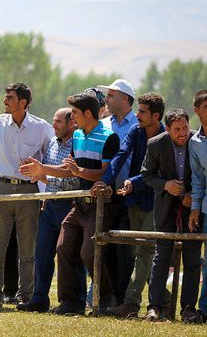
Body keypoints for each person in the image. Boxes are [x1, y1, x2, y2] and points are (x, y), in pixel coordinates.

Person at [21, 92, 119, 315]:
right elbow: (69, 170)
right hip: (79, 204)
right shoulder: (77, 136)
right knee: (63, 247)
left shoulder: (109, 137)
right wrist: (42, 169)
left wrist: (80, 171)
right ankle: (69, 303)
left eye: (74, 113)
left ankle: (106, 297)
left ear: (87, 113)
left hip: (100, 206)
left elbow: (107, 173)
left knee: (87, 253)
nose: (72, 117)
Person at [0, 83, 53, 309]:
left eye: (9, 98)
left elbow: (50, 160)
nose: (4, 101)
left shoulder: (42, 127)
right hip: (2, 190)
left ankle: (26, 297)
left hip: (30, 192)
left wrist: (46, 193)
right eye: (5, 97)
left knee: (28, 250)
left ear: (24, 102)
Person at [90, 93, 167, 318]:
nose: (137, 115)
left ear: (156, 115)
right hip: (134, 201)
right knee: (138, 254)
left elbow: (158, 173)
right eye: (138, 110)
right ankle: (165, 301)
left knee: (144, 252)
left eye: (142, 112)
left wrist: (133, 182)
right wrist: (105, 180)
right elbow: (120, 155)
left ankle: (130, 304)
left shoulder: (165, 136)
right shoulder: (136, 131)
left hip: (157, 202)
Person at [16, 107, 83, 313]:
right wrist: (37, 174)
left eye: (58, 121)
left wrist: (43, 173)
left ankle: (74, 301)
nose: (53, 125)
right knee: (42, 252)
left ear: (72, 123)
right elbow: (51, 175)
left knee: (70, 254)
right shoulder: (52, 143)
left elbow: (73, 179)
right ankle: (39, 299)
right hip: (51, 204)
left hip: (69, 205)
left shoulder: (78, 145)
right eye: (53, 121)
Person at [141, 109, 202, 322]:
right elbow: (147, 175)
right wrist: (166, 185)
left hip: (193, 208)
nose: (183, 132)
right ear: (168, 130)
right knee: (161, 255)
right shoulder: (155, 144)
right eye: (177, 129)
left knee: (193, 257)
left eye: (185, 127)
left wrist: (193, 194)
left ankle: (188, 309)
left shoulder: (199, 141)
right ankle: (154, 308)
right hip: (166, 206)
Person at [97, 79, 138, 303]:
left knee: (127, 251)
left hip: (132, 196)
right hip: (108, 196)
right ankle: (112, 297)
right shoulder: (104, 125)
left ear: (125, 98)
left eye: (111, 95)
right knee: (107, 248)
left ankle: (123, 299)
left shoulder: (140, 124)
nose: (106, 100)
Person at [187, 90, 207, 324]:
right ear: (197, 111)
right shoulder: (195, 142)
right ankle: (204, 310)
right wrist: (194, 209)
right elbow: (199, 180)